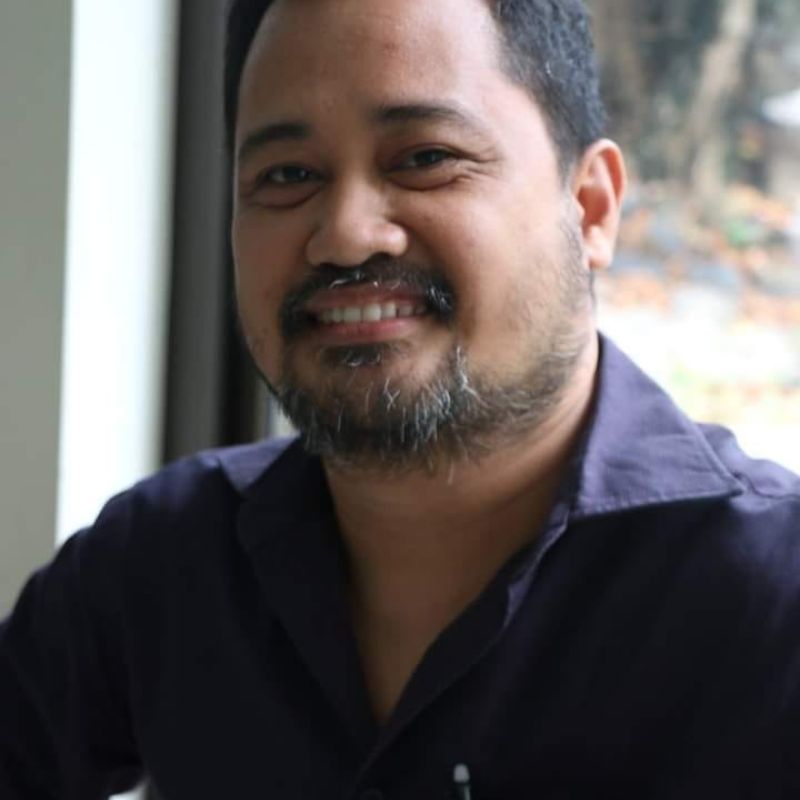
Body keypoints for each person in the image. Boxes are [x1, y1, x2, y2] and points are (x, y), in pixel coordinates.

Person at [2, 0, 799, 797]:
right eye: (287, 176)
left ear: (590, 207)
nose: (346, 233)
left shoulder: (771, 601)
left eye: (424, 157)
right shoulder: (161, 564)